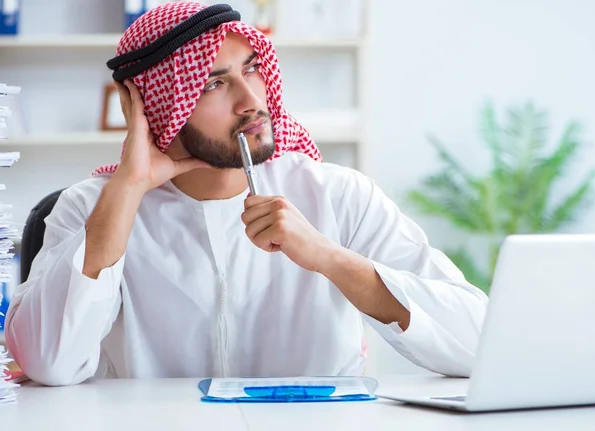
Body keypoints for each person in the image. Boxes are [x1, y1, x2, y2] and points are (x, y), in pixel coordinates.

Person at [5, 2, 488, 386]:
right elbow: (49, 363)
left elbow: (479, 340)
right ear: (158, 108)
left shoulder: (338, 195)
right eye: (215, 82)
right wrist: (127, 189)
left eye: (251, 69)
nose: (252, 100)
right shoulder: (92, 207)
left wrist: (328, 257)